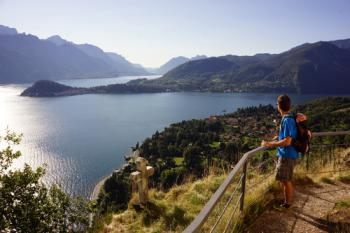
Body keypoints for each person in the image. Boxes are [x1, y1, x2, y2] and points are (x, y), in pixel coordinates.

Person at [261, 94, 298, 208]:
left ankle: (287, 203)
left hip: (287, 155)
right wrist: (278, 138)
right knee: (285, 179)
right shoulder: (289, 117)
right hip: (290, 154)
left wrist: (269, 144)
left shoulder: (287, 120)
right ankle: (288, 200)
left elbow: (287, 142)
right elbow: (287, 137)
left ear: (279, 106)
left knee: (285, 180)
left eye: (277, 104)